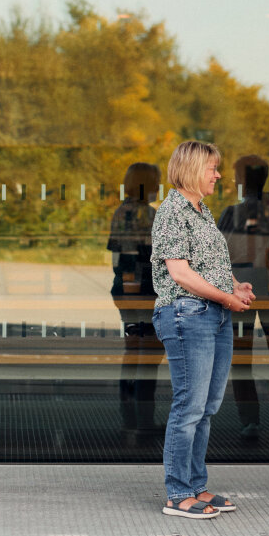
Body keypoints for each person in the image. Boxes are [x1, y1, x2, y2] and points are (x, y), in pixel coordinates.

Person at [151, 140, 254, 519]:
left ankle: (196, 485)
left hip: (213, 313)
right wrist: (226, 299)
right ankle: (178, 493)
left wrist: (234, 287)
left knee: (207, 407)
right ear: (193, 169)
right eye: (213, 168)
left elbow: (207, 265)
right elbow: (180, 273)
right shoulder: (172, 211)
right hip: (188, 315)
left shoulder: (201, 210)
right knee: (189, 406)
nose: (219, 174)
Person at [217, 155, 269, 440]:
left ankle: (251, 422)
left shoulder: (232, 213)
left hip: (252, 287)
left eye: (238, 175)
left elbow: (219, 252)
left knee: (245, 357)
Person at [107, 162, 161, 441]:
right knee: (149, 356)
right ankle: (144, 419)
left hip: (126, 290)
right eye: (156, 182)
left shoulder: (120, 212)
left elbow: (117, 256)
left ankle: (129, 416)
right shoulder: (147, 215)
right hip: (144, 290)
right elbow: (142, 256)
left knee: (132, 353)